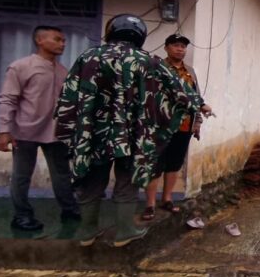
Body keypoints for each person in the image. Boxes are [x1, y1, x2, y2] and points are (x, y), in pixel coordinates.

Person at [55, 14, 213, 247]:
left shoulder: (88, 57)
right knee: (127, 179)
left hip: (93, 132)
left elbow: (68, 95)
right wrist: (200, 105)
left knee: (92, 179)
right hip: (132, 133)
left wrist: (68, 130)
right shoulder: (148, 60)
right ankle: (125, 231)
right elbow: (180, 91)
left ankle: (87, 231)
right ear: (139, 36)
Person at [0, 26, 79, 231]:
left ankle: (69, 209)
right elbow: (8, 99)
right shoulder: (21, 67)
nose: (63, 43)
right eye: (58, 39)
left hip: (55, 132)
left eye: (64, 40)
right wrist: (4, 131)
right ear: (40, 40)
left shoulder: (63, 71)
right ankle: (22, 216)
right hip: (24, 132)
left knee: (62, 174)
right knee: (22, 175)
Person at [141, 34, 204, 220]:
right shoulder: (157, 68)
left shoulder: (190, 71)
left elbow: (196, 98)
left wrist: (197, 122)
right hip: (160, 126)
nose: (180, 49)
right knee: (155, 164)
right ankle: (150, 204)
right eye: (176, 46)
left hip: (184, 126)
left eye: (183, 47)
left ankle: (167, 199)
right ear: (166, 48)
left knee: (174, 164)